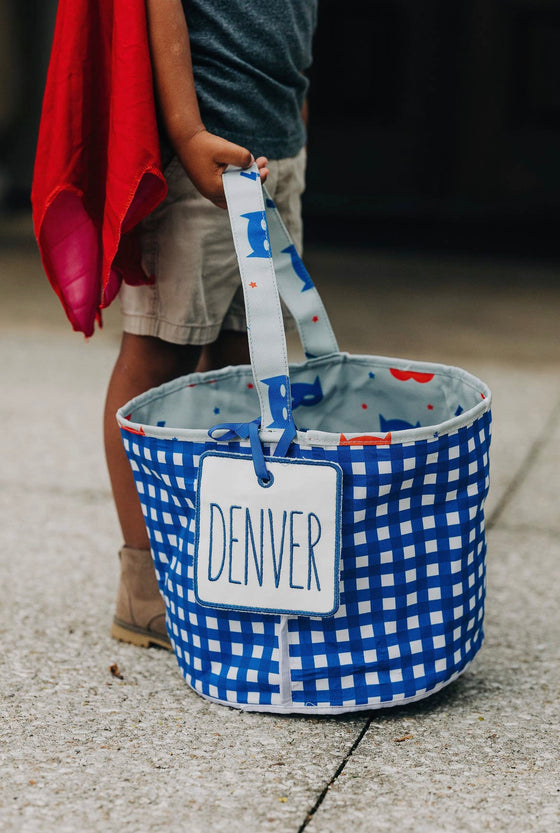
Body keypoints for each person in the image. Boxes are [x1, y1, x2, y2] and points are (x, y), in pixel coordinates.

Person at [106, 0, 318, 649]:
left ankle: (214, 558)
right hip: (197, 157)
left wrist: (294, 128)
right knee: (158, 355)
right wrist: (187, 132)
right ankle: (143, 585)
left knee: (241, 363)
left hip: (276, 149)